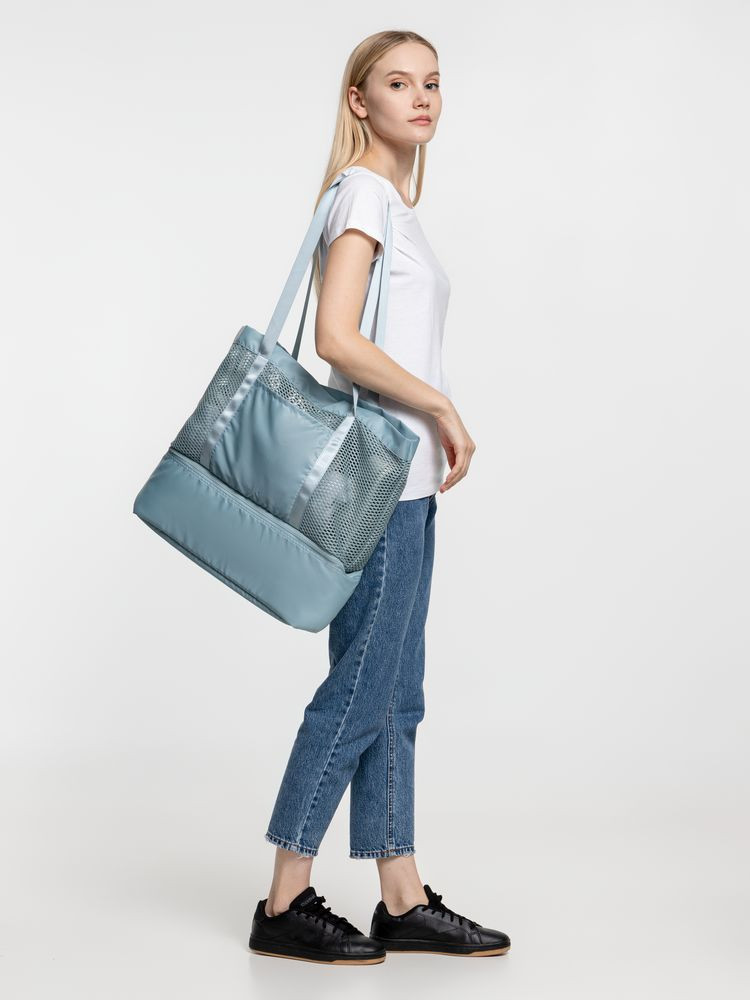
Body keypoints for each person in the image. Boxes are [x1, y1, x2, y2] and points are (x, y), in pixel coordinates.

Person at [248, 29, 510, 965]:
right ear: (360, 100)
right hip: (378, 476)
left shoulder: (397, 203)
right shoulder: (363, 193)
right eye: (399, 83)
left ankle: (401, 894)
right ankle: (284, 899)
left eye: (432, 81)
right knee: (361, 688)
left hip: (411, 483)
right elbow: (335, 338)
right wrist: (440, 404)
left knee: (397, 692)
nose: (422, 96)